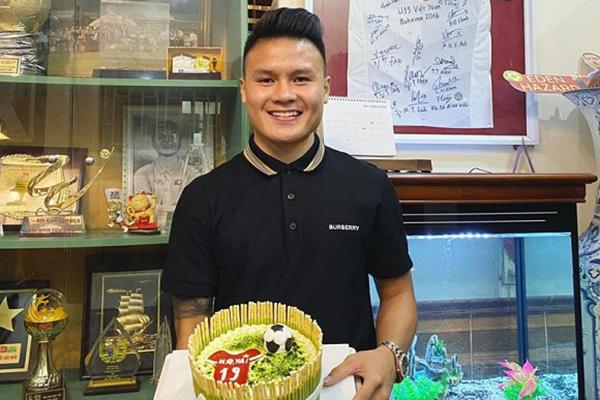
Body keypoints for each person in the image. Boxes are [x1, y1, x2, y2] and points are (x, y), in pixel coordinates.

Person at [162, 7, 417, 399]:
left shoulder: (369, 186)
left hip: (346, 389)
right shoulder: (203, 198)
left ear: (326, 88)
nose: (284, 94)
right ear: (244, 89)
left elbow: (398, 293)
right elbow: (191, 317)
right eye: (266, 79)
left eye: (301, 78)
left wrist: (388, 355)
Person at [133, 120, 201, 224]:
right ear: (153, 141)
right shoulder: (142, 174)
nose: (167, 141)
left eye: (172, 136)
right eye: (161, 136)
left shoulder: (193, 174)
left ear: (180, 141)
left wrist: (158, 209)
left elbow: (194, 208)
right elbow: (144, 209)